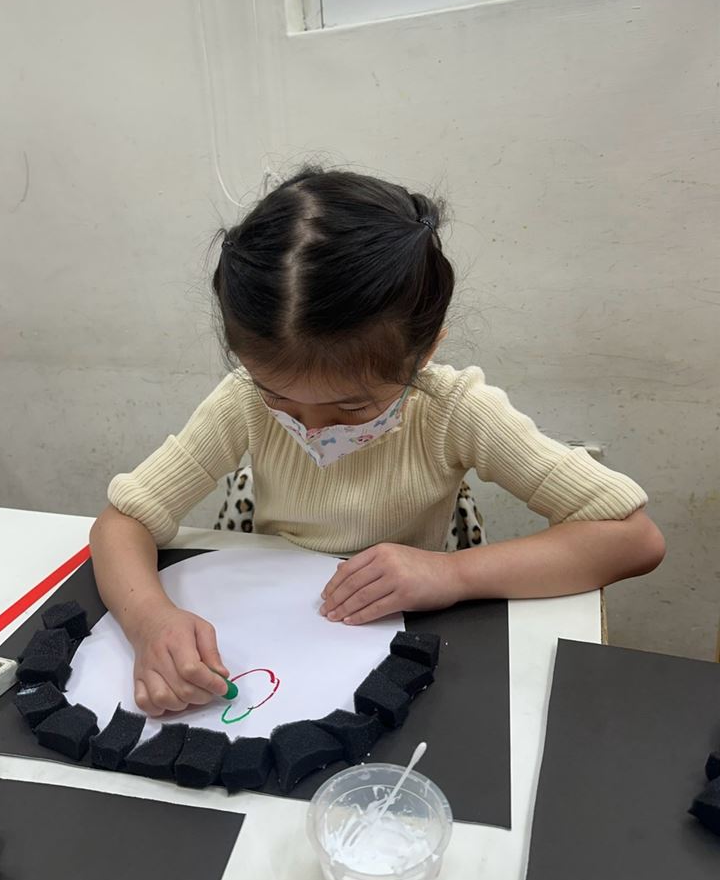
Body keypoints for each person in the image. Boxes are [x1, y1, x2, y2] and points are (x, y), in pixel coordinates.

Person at [90, 167, 665, 717]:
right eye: (278, 397)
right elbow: (122, 523)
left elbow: (633, 539)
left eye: (352, 408)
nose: (312, 429)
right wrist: (149, 620)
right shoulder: (241, 399)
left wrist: (452, 575)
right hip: (274, 619)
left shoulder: (455, 410)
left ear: (424, 352)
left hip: (406, 623)